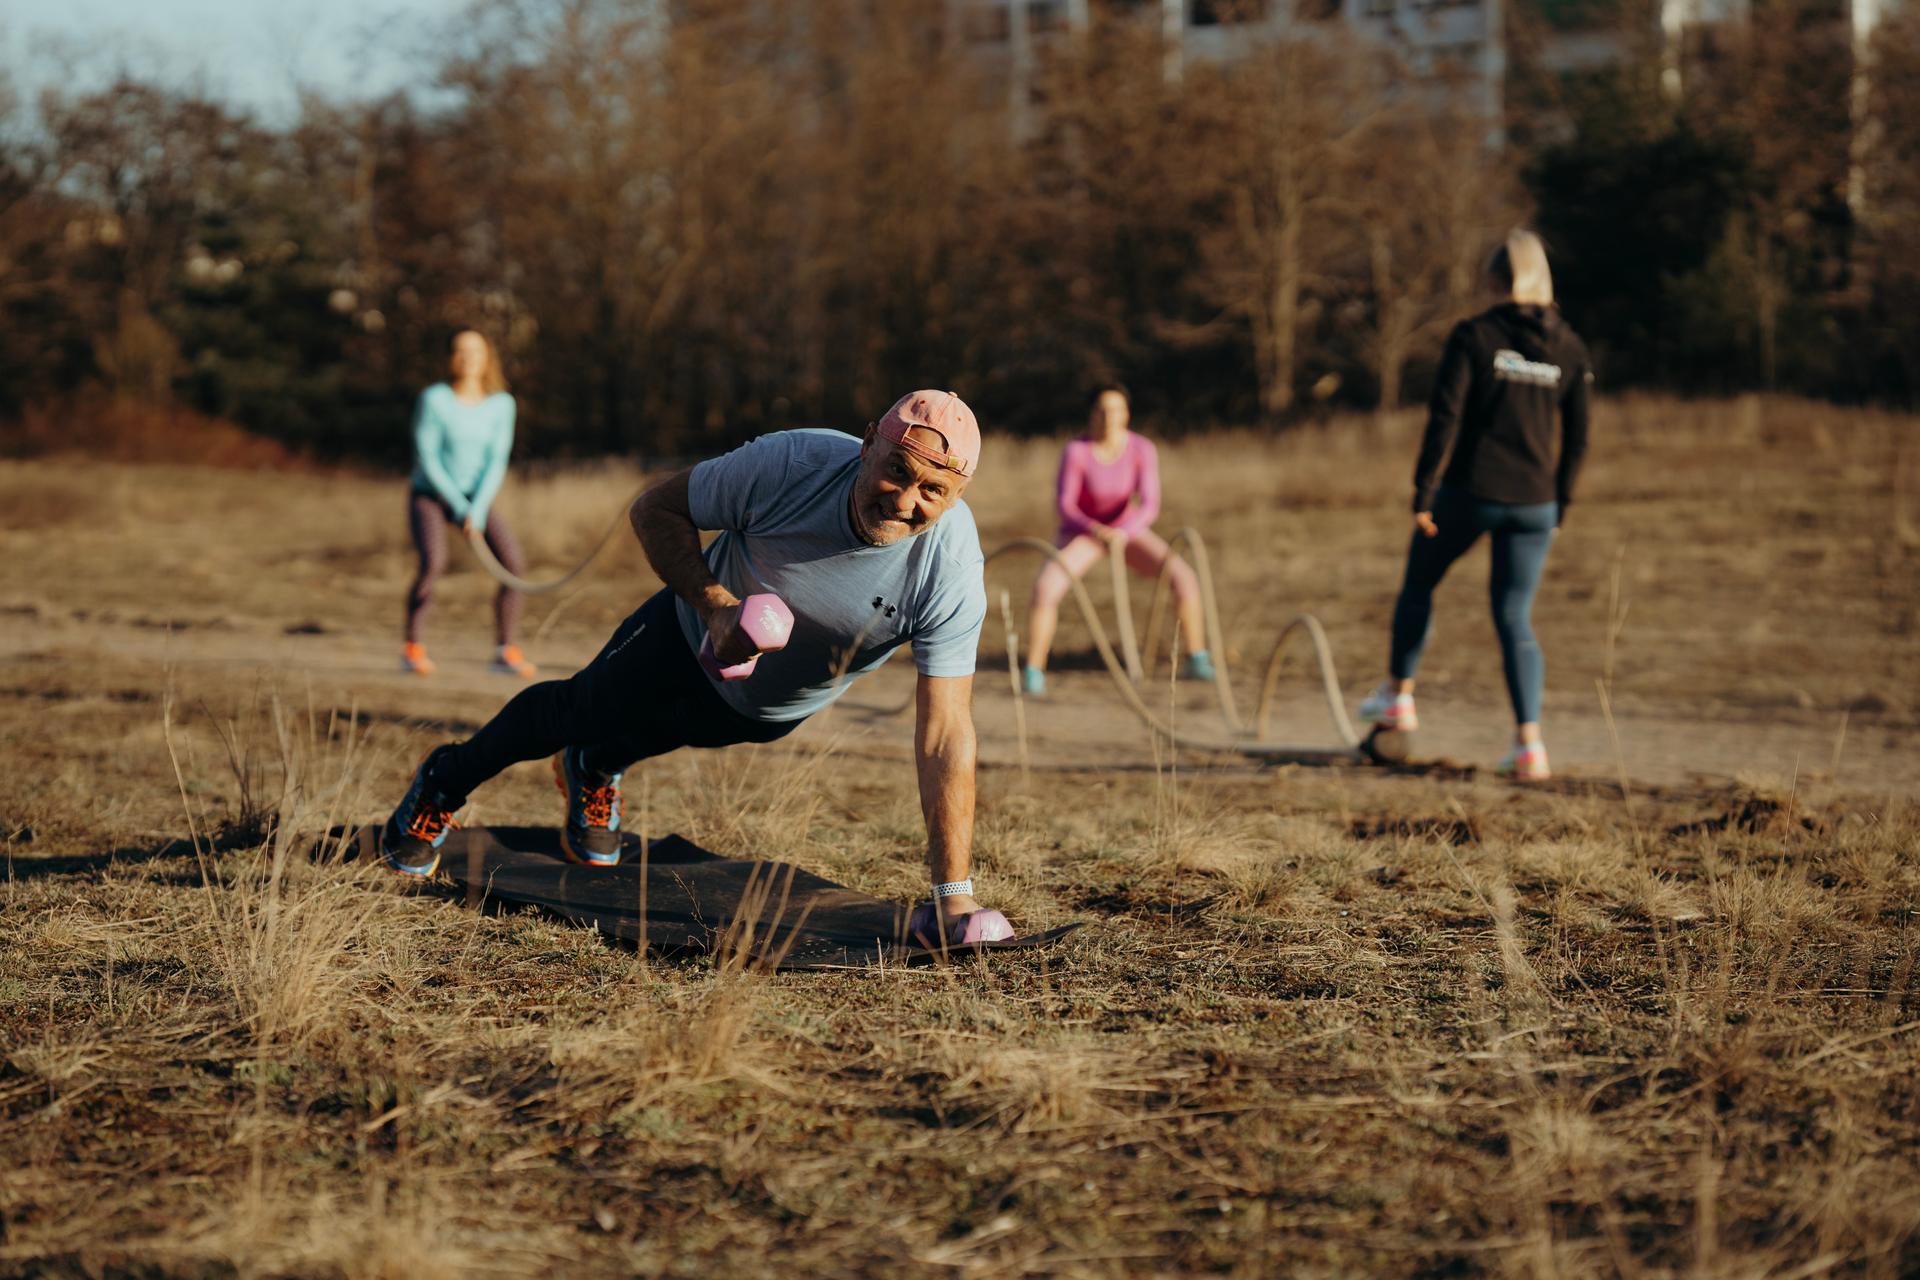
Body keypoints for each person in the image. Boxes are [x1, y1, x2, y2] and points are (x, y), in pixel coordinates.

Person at [377, 390, 1002, 940]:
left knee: (675, 729)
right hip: (681, 636)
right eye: (898, 470)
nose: (904, 500)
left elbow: (945, 732)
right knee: (580, 708)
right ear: (869, 445)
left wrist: (953, 896)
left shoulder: (950, 572)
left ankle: (593, 766)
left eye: (933, 491)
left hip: (769, 707)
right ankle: (445, 780)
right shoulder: (791, 464)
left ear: (957, 497)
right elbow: (655, 508)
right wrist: (716, 608)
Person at [1359, 230, 1593, 780]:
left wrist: (1424, 491)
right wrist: (1561, 505)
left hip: (1470, 493)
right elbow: (1579, 437)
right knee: (1515, 618)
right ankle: (1529, 746)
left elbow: (1445, 417)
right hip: (1535, 503)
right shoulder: (1570, 346)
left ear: (1494, 281)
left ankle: (1399, 695)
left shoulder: (1475, 336)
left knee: (1419, 584)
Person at [1020, 386, 1212, 695]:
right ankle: (1033, 669)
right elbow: (1065, 505)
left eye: (1117, 409)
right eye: (1102, 410)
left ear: (1127, 414)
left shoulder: (1142, 448)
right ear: (1092, 414)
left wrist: (1123, 532)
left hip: (1127, 530)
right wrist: (1095, 529)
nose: (1109, 417)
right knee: (1046, 587)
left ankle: (1196, 657)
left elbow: (1149, 504)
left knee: (1184, 577)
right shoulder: (1077, 451)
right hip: (1084, 532)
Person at [402, 328, 537, 679]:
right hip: (432, 494)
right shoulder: (434, 399)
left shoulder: (501, 404)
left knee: (513, 564)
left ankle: (505, 649)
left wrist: (475, 509)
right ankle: (413, 647)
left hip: (476, 499)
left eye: (475, 351)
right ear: (450, 357)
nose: (468, 358)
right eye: (460, 351)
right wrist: (460, 507)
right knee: (433, 562)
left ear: (487, 357)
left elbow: (496, 460)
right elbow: (428, 457)